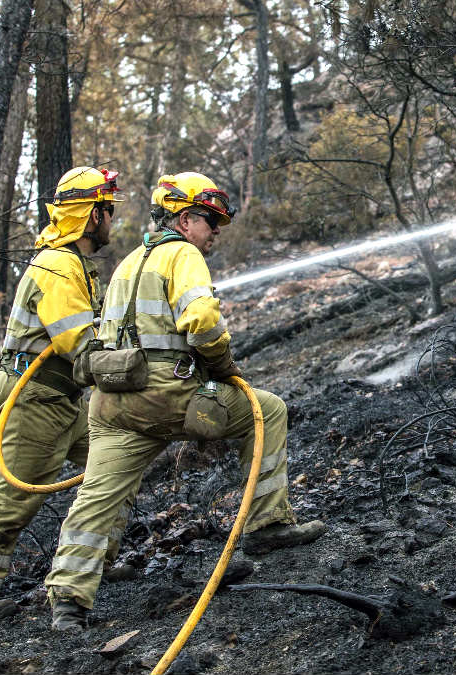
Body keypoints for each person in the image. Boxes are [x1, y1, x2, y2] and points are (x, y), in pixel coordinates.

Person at [44, 171, 325, 631]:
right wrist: (224, 367)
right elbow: (202, 321)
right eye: (211, 221)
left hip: (113, 403)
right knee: (268, 409)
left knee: (97, 493)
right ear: (185, 219)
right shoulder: (184, 255)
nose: (216, 232)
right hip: (170, 395)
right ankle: (268, 526)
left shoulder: (127, 264)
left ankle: (69, 602)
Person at [0, 167, 132, 621]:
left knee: (114, 466)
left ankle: (90, 564)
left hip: (60, 399)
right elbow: (78, 343)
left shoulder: (73, 264)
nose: (112, 220)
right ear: (92, 215)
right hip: (34, 399)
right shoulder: (59, 268)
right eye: (108, 211)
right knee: (12, 503)